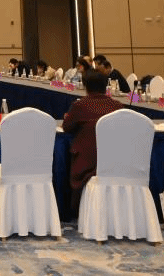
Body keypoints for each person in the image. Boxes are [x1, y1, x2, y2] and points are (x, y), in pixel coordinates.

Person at [61, 69, 123, 216]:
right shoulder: (118, 106)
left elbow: (67, 127)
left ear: (85, 86)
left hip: (87, 162)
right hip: (114, 160)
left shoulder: (80, 106)